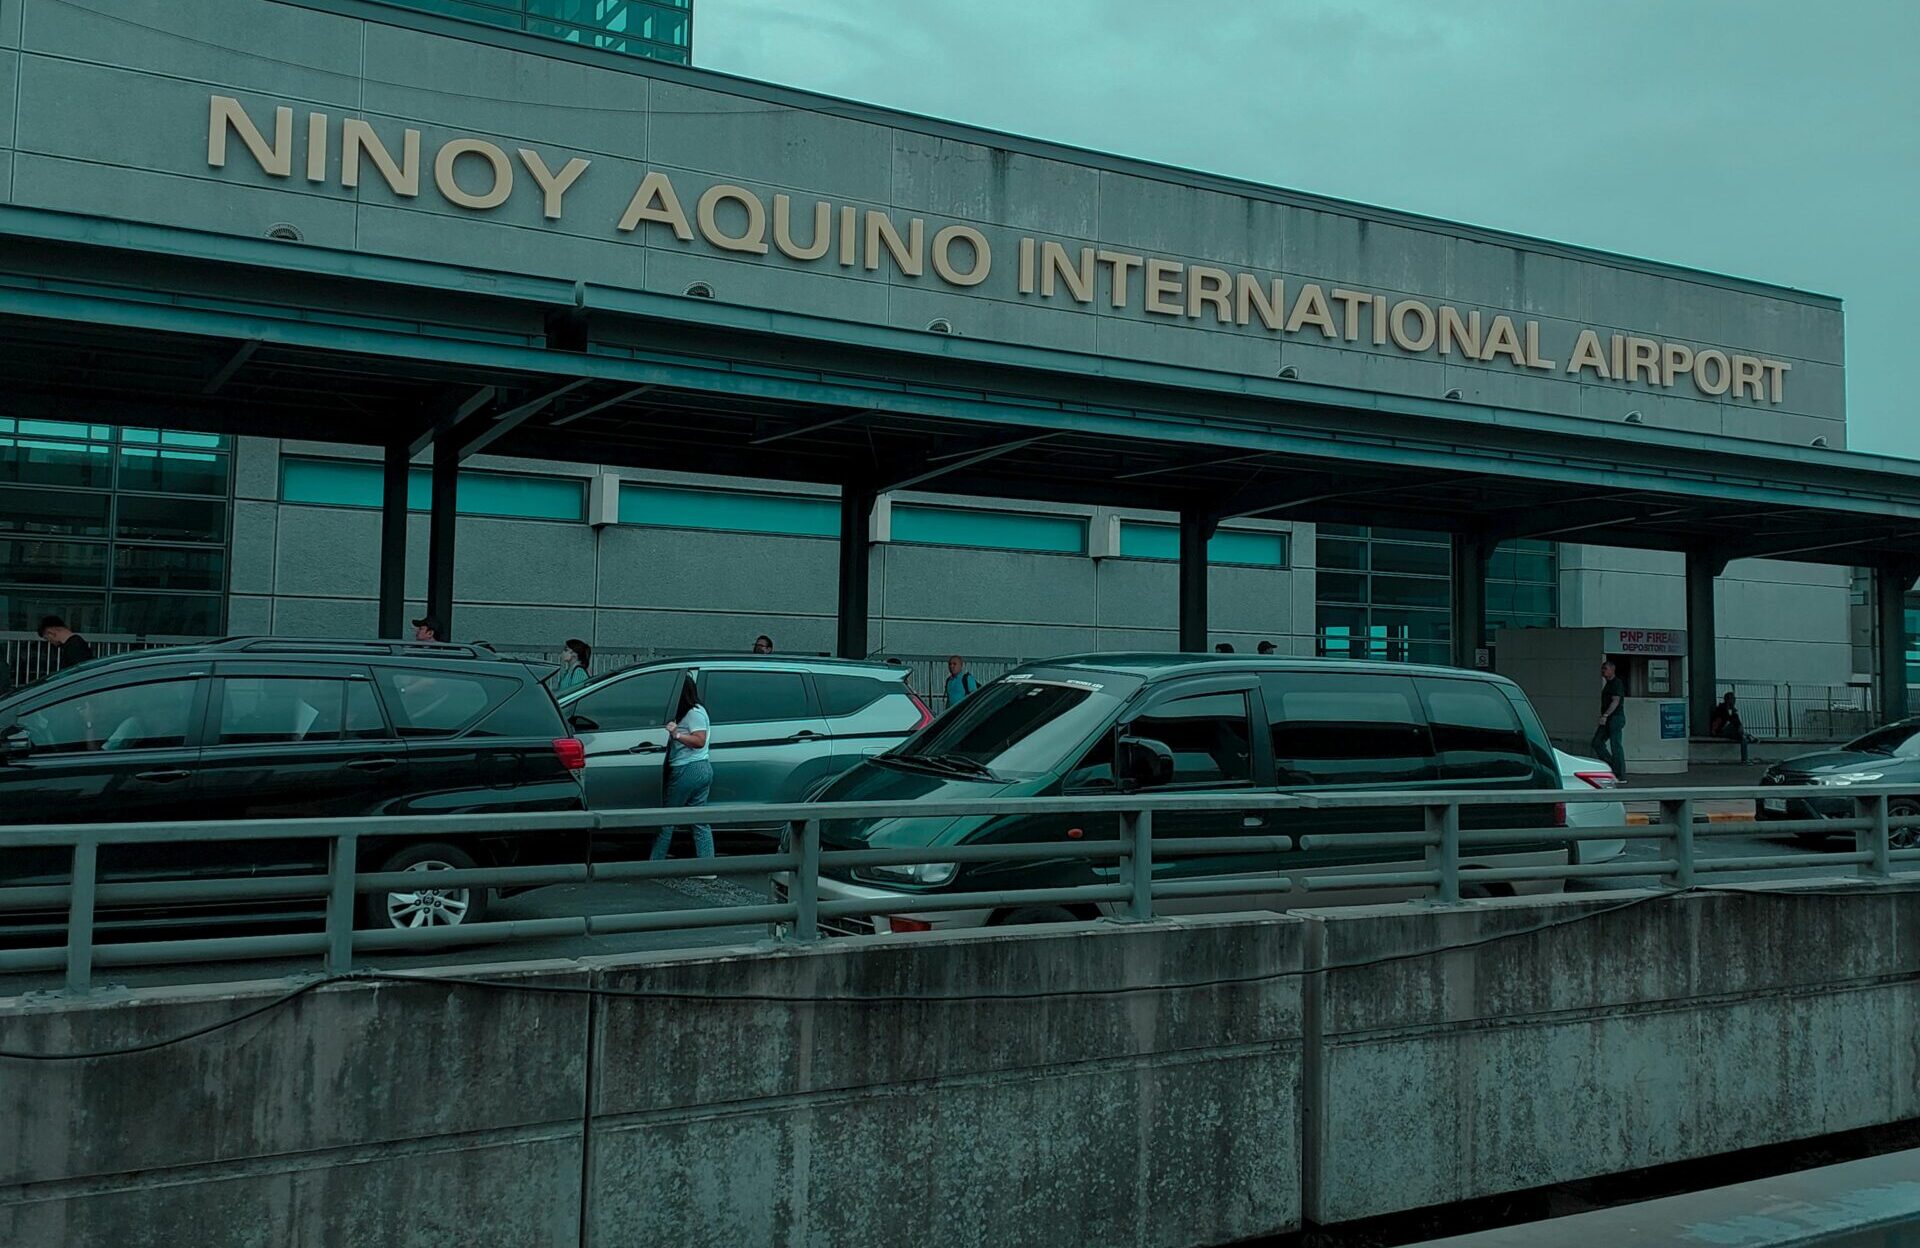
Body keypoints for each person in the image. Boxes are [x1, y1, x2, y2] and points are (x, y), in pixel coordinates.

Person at [651, 678, 714, 869]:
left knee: (668, 819)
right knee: (699, 821)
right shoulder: (699, 710)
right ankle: (707, 867)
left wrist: (676, 734)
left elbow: (699, 740)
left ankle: (655, 863)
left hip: (687, 768)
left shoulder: (693, 713)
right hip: (702, 767)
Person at [1591, 659, 1628, 780]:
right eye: (1602, 668)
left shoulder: (1616, 683)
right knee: (1597, 742)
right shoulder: (1609, 684)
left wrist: (1606, 715)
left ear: (1612, 670)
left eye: (1605, 669)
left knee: (1615, 745)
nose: (1603, 671)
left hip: (1615, 718)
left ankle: (1620, 773)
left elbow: (1615, 701)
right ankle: (1612, 765)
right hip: (1608, 719)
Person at [1708, 691, 1755, 764]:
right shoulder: (1722, 710)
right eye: (1733, 698)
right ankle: (1748, 737)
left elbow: (1737, 722)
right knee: (1740, 733)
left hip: (1729, 731)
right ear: (1728, 699)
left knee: (1742, 738)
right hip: (1721, 731)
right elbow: (1720, 722)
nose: (1734, 700)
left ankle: (1746, 737)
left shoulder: (1732, 711)